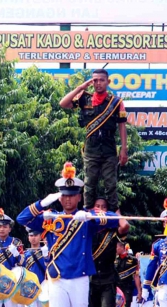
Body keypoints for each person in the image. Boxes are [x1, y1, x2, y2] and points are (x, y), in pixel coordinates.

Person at [17, 162, 119, 307]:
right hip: (57, 278)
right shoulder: (50, 218)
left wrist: (91, 217)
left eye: (72, 194)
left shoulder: (85, 218)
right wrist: (42, 204)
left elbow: (114, 219)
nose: (68, 199)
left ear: (79, 197)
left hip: (79, 277)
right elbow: (22, 218)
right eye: (64, 195)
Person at [59, 69, 128, 212]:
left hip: (109, 148)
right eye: (95, 80)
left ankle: (114, 214)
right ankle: (87, 212)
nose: (98, 83)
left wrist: (124, 149)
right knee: (89, 183)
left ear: (108, 82)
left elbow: (122, 125)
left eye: (101, 80)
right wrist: (80, 87)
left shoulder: (116, 102)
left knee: (111, 184)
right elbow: (63, 103)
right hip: (91, 149)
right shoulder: (84, 98)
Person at [89, 198, 130, 307]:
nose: (100, 209)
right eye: (97, 206)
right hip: (91, 279)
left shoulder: (112, 231)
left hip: (108, 279)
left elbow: (125, 226)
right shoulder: (88, 229)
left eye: (104, 207)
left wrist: (115, 213)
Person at [23, 227, 50, 307]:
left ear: (40, 237)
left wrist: (46, 257)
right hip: (29, 285)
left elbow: (49, 269)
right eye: (31, 235)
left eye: (36, 235)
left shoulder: (46, 251)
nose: (33, 238)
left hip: (43, 284)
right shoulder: (25, 253)